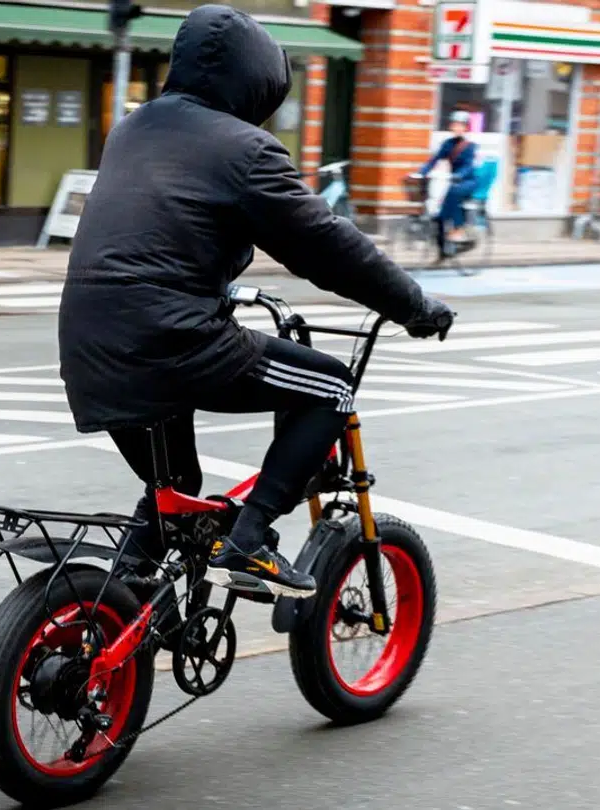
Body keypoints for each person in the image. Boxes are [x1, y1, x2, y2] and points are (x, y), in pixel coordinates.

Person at [58, 5, 454, 599]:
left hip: (89, 345)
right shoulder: (245, 149)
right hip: (173, 340)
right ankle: (252, 538)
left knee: (177, 490)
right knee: (332, 387)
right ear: (257, 82)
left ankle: (124, 603)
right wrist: (414, 304)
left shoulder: (132, 129)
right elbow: (326, 246)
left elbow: (156, 232)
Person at [419, 110, 480, 255]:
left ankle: (458, 229)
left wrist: (459, 174)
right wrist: (421, 172)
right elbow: (434, 160)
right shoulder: (447, 144)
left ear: (466, 128)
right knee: (439, 215)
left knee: (453, 191)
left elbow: (469, 165)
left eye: (460, 125)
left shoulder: (470, 146)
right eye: (455, 124)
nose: (457, 128)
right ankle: (443, 251)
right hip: (454, 180)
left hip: (468, 181)